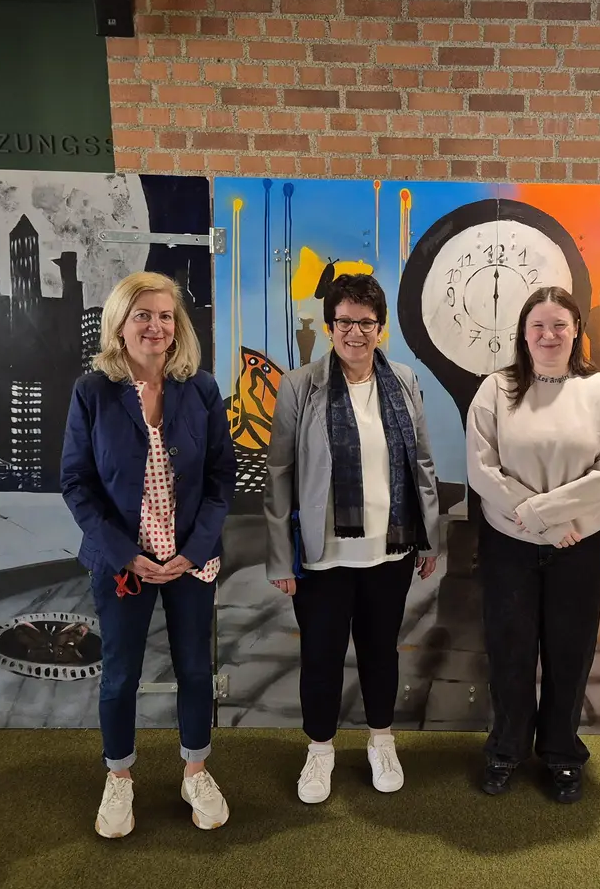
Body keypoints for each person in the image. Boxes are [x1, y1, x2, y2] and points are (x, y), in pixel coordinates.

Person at [59, 271, 237, 838]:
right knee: (119, 676)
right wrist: (125, 554)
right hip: (123, 564)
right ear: (120, 323)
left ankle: (195, 771)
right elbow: (77, 483)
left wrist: (194, 550)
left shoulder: (202, 388)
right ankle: (119, 779)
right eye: (143, 315)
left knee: (193, 669)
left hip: (190, 561)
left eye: (165, 316)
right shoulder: (92, 392)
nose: (155, 326)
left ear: (177, 326)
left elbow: (220, 479)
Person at [264, 273, 442, 805]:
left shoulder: (405, 381)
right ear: (329, 326)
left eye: (366, 323)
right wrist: (280, 558)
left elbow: (423, 465)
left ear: (380, 329)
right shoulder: (302, 385)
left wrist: (429, 540)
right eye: (345, 322)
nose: (355, 333)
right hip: (323, 556)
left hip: (389, 551)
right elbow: (279, 475)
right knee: (320, 656)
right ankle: (320, 752)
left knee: (379, 654)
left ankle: (381, 742)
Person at [466, 286, 600, 803]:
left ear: (576, 329)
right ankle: (506, 748)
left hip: (579, 541)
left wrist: (547, 516)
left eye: (560, 324)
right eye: (538, 325)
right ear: (523, 332)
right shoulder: (496, 389)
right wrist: (541, 525)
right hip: (508, 543)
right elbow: (481, 470)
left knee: (570, 650)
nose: (549, 335)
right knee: (510, 649)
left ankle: (561, 753)